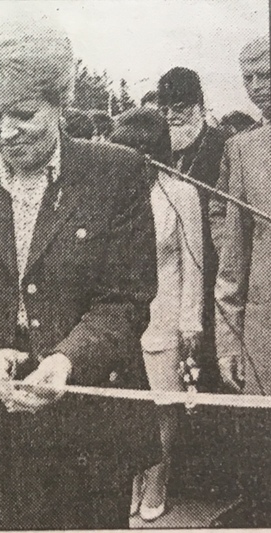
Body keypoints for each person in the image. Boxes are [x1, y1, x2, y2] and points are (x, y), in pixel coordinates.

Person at [0, 13, 159, 529]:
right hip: (8, 424)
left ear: (59, 102)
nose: (6, 132)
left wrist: (66, 361)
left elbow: (125, 299)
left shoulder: (115, 171)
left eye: (23, 113)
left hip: (94, 423)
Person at [110, 108, 204, 521]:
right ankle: (132, 480)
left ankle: (157, 483)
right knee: (128, 407)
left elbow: (194, 264)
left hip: (165, 317)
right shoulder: (110, 194)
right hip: (119, 321)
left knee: (163, 407)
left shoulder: (181, 193)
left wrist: (190, 321)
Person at [157, 65, 231, 498]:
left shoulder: (221, 146)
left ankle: (215, 476)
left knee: (212, 371)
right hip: (179, 277)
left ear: (201, 107)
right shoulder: (164, 149)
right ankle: (183, 471)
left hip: (216, 274)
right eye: (166, 109)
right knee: (180, 376)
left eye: (181, 108)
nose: (172, 117)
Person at [211, 35, 271, 528]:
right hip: (263, 328)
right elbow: (233, 259)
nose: (256, 86)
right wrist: (230, 340)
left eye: (266, 74)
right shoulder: (243, 149)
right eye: (248, 77)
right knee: (260, 429)